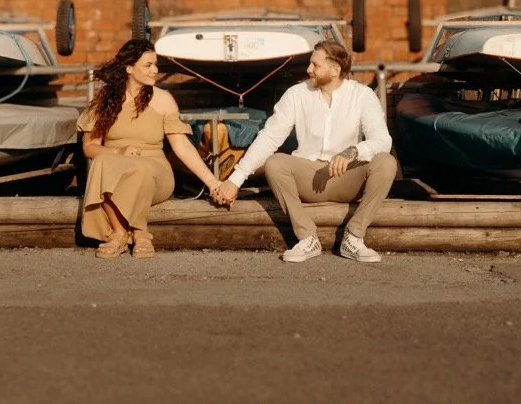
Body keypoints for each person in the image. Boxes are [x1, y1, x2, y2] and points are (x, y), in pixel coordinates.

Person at [211, 39, 396, 263]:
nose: (309, 69)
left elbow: (382, 140)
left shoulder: (362, 95)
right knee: (275, 162)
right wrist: (235, 180)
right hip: (308, 177)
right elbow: (269, 138)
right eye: (310, 63)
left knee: (386, 162)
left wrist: (354, 151)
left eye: (315, 65)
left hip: (347, 177)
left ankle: (354, 237)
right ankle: (307, 238)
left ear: (335, 70)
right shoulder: (296, 94)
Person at [79, 38, 222, 259]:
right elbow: (90, 148)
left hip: (156, 172)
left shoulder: (163, 100)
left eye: (156, 64)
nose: (155, 70)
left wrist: (213, 183)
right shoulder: (104, 102)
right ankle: (122, 233)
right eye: (148, 65)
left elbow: (182, 147)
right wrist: (118, 152)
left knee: (141, 169)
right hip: (115, 168)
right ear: (129, 69)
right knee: (102, 162)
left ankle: (136, 232)